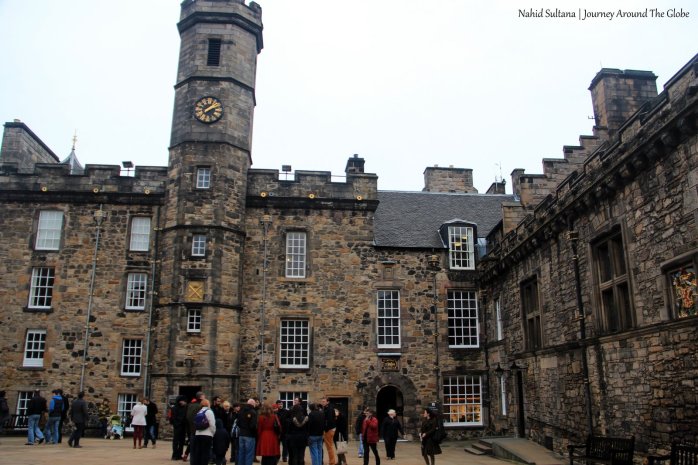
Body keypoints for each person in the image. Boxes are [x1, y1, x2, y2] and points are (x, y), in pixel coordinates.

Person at [192, 399, 216, 465]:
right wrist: (213, 433)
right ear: (208, 404)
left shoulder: (199, 412)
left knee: (198, 452)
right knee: (205, 453)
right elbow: (212, 425)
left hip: (198, 434)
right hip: (207, 435)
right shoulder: (209, 412)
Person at [184, 392, 206, 462]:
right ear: (201, 397)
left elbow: (187, 417)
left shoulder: (190, 405)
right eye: (204, 396)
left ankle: (189, 457)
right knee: (196, 446)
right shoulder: (199, 406)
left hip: (191, 428)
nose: (205, 397)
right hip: (197, 428)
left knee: (192, 444)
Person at [237, 398, 258, 465]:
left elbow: (238, 423)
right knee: (249, 454)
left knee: (241, 453)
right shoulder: (253, 412)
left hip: (241, 434)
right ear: (253, 404)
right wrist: (255, 433)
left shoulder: (241, 411)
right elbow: (253, 426)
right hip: (250, 435)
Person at [319, 397, 337, 465]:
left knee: (329, 447)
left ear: (327, 402)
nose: (322, 402)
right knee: (330, 446)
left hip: (329, 429)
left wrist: (325, 429)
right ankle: (332, 461)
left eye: (324, 401)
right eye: (322, 401)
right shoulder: (326, 408)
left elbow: (329, 420)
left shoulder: (329, 409)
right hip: (330, 428)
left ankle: (332, 462)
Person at [171, 395, 189, 461]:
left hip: (183, 426)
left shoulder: (186, 408)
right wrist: (176, 424)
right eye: (182, 401)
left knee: (181, 442)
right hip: (177, 426)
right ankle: (174, 455)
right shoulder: (174, 408)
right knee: (176, 441)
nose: (183, 402)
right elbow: (173, 418)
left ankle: (179, 454)